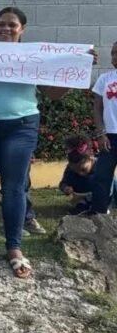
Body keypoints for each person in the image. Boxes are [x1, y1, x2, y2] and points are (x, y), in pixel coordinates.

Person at [0, 7, 66, 278]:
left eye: (12, 25)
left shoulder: (33, 58)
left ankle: (14, 248)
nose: (6, 29)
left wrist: (77, 69)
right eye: (1, 24)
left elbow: (54, 93)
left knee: (14, 188)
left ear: (23, 29)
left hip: (21, 126)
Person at [91, 42, 117, 215]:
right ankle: (100, 214)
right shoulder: (105, 79)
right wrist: (101, 133)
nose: (114, 57)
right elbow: (97, 109)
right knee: (101, 176)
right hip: (110, 137)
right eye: (113, 53)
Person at [61, 135, 95, 215]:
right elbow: (63, 183)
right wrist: (66, 188)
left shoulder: (100, 167)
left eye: (83, 169)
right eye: (75, 171)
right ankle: (82, 206)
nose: (80, 173)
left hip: (100, 195)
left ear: (91, 158)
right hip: (80, 196)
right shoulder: (69, 169)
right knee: (80, 203)